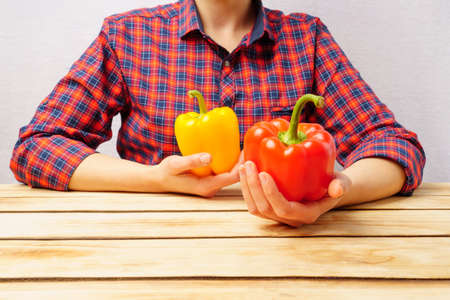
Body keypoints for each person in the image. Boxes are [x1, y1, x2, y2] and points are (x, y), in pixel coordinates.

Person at [10, 0, 425, 227]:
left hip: (291, 260)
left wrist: (336, 194)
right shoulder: (126, 35)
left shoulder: (306, 38)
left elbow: (397, 148)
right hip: (146, 256)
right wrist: (154, 179)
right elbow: (36, 147)